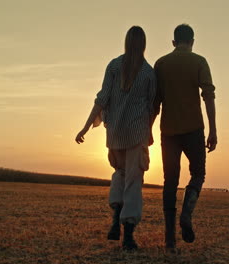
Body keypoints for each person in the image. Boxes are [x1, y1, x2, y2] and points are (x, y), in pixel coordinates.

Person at [75, 26, 156, 251]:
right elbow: (151, 107)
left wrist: (85, 127)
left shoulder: (113, 66)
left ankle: (114, 221)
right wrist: (148, 133)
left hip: (115, 133)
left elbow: (102, 99)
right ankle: (128, 234)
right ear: (144, 44)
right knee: (133, 181)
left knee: (119, 175)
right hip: (136, 134)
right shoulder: (149, 73)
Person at [153, 24, 217, 251]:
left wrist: (148, 130)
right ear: (192, 41)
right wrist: (213, 130)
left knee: (170, 182)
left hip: (168, 131)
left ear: (173, 42)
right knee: (198, 173)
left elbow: (155, 101)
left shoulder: (161, 64)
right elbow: (208, 96)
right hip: (193, 130)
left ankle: (169, 240)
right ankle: (186, 214)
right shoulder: (199, 61)